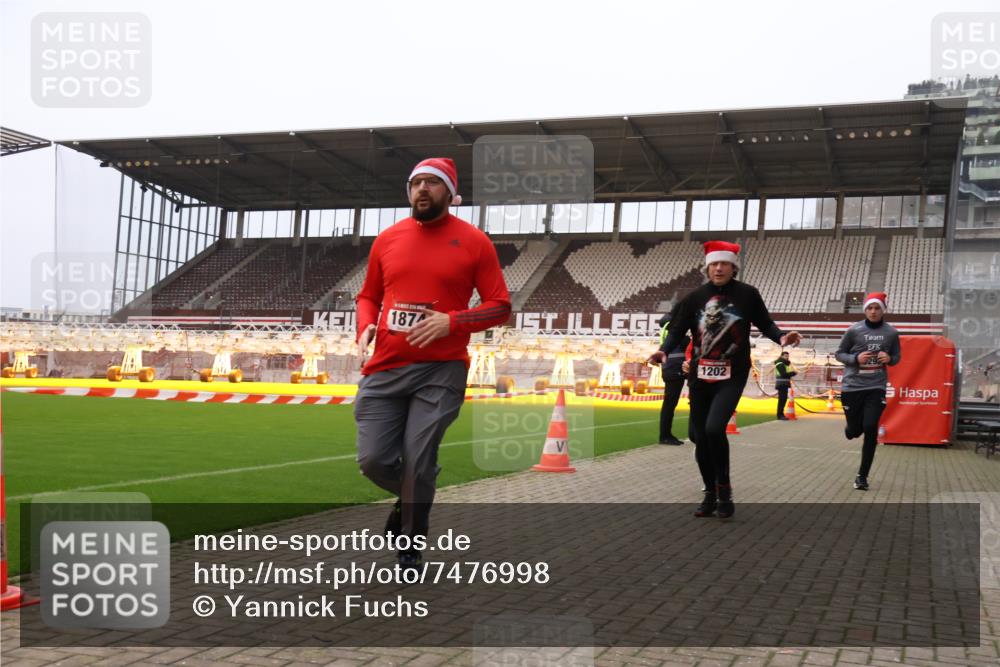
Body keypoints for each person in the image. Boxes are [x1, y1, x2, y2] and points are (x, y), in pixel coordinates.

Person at [354, 157, 511, 568]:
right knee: (373, 461)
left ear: (450, 192)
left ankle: (410, 541)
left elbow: (500, 307)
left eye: (432, 183)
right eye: (415, 182)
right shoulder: (387, 239)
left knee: (419, 457)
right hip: (385, 366)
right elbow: (368, 295)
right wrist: (366, 326)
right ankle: (411, 491)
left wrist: (452, 321)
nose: (422, 189)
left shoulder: (475, 242)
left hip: (441, 370)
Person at [648, 241, 800, 519]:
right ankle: (709, 492)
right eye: (714, 264)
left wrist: (781, 337)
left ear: (733, 267)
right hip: (699, 374)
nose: (719, 268)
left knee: (715, 429)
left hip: (732, 373)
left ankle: (724, 489)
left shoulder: (747, 295)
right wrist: (663, 350)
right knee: (700, 437)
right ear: (707, 267)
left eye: (724, 264)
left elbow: (765, 323)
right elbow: (676, 330)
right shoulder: (694, 297)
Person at [834, 292, 900, 491]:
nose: (873, 311)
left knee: (871, 427)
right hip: (852, 387)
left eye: (877, 308)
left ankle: (862, 476)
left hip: (876, 386)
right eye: (870, 308)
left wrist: (889, 359)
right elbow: (839, 354)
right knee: (854, 431)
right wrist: (856, 359)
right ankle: (851, 428)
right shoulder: (854, 330)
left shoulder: (891, 333)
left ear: (883, 310)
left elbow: (897, 357)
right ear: (865, 310)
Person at [656, 308, 689, 445]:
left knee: (669, 404)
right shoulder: (678, 334)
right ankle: (665, 436)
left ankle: (665, 434)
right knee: (670, 404)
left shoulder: (665, 332)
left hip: (670, 370)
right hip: (676, 370)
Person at [774, 350, 797, 420]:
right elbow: (783, 374)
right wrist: (793, 373)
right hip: (781, 384)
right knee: (782, 400)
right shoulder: (780, 363)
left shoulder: (784, 364)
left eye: (787, 356)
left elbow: (785, 373)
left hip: (784, 384)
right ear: (781, 356)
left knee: (783, 399)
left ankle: (781, 414)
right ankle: (780, 415)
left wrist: (791, 373)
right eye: (785, 356)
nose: (787, 357)